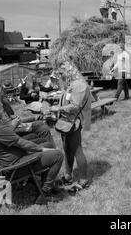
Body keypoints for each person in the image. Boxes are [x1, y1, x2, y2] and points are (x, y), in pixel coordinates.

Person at [0, 98, 63, 200]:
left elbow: (15, 140)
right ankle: (44, 193)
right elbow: (23, 144)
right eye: (1, 109)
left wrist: (43, 148)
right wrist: (43, 150)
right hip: (15, 168)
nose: (3, 111)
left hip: (6, 164)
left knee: (48, 145)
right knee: (58, 155)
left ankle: (46, 183)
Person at [50, 61, 93, 189]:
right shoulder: (72, 83)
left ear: (69, 71)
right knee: (67, 148)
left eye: (62, 72)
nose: (60, 74)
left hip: (74, 122)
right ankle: (68, 176)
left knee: (76, 150)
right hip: (65, 122)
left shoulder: (79, 84)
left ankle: (84, 179)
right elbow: (68, 98)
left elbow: (75, 106)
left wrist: (57, 109)